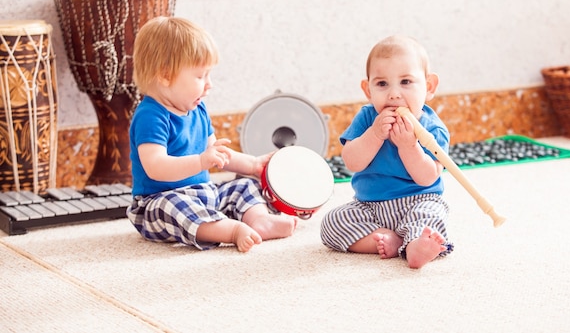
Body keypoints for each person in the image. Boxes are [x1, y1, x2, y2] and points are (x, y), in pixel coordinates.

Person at [127, 16, 297, 253]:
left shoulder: (198, 109)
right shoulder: (151, 116)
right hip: (157, 202)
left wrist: (254, 164)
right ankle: (232, 230)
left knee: (244, 186)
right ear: (165, 75)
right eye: (200, 76)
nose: (209, 84)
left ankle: (260, 219)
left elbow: (218, 153)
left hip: (203, 193)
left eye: (209, 75)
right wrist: (200, 161)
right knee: (176, 206)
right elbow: (155, 167)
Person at [320, 35, 453, 269]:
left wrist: (409, 146)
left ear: (429, 87)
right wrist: (374, 135)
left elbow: (428, 177)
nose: (394, 94)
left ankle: (416, 247)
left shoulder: (432, 129)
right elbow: (352, 162)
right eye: (382, 84)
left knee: (430, 219)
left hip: (419, 201)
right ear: (368, 89)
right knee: (332, 223)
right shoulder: (367, 118)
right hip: (371, 206)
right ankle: (391, 240)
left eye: (406, 82)